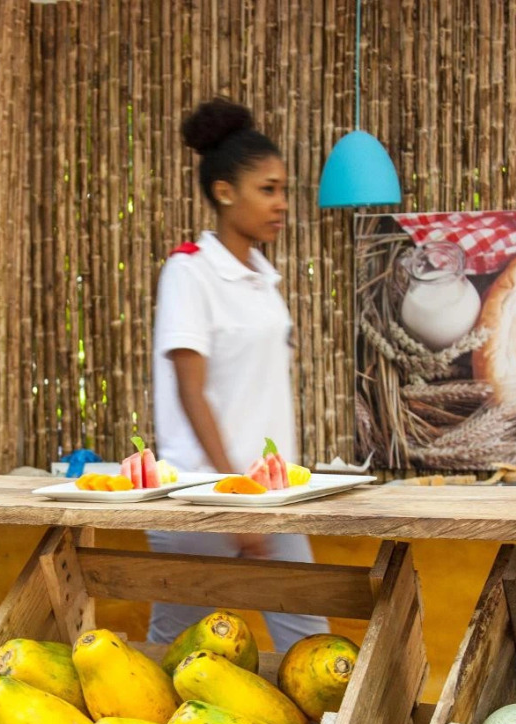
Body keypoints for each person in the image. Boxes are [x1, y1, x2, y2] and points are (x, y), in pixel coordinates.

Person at [147, 98, 328, 651]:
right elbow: (192, 392)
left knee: (311, 640)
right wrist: (233, 497)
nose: (281, 204)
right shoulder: (189, 272)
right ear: (225, 192)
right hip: (204, 495)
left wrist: (260, 494)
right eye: (267, 189)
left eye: (283, 191)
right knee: (175, 646)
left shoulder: (261, 279)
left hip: (272, 494)